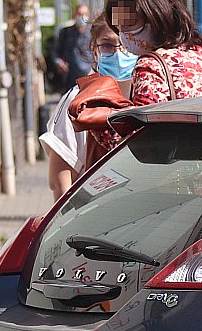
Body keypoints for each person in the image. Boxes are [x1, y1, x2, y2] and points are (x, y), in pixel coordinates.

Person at [41, 19, 136, 198]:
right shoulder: (78, 101)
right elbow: (60, 180)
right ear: (94, 50)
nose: (119, 53)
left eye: (126, 44)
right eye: (108, 45)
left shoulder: (150, 93)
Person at [104, 0, 202, 106]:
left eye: (129, 23)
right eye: (118, 27)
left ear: (155, 16)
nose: (124, 34)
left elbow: (143, 124)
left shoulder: (151, 66)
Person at [49, 4, 92, 87]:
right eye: (79, 14)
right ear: (74, 15)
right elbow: (55, 52)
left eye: (85, 14)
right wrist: (59, 63)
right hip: (71, 79)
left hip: (90, 78)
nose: (82, 17)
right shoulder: (65, 33)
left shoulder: (93, 33)